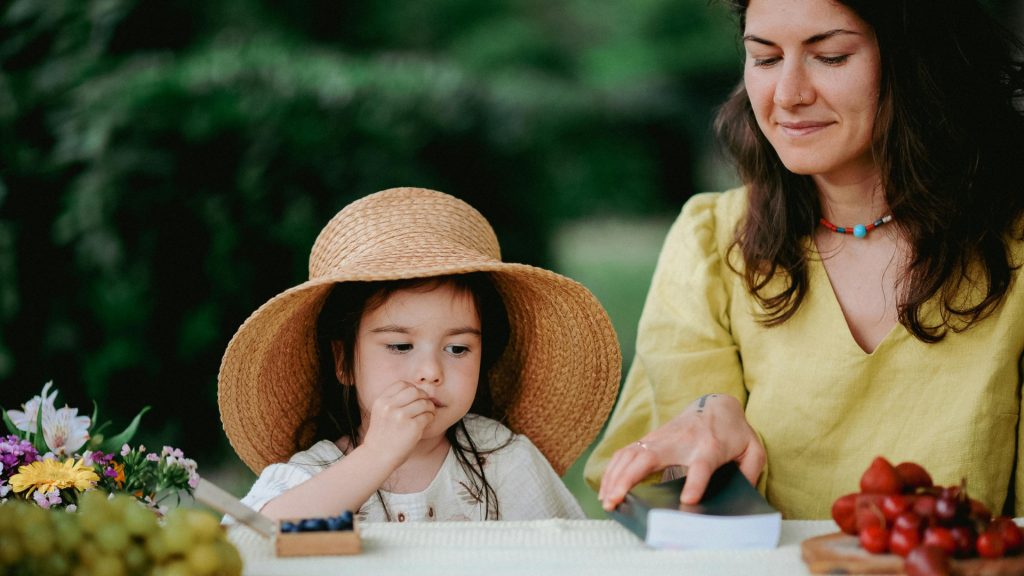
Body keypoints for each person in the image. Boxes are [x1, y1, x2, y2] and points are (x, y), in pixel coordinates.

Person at [586, 0, 1024, 520]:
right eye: (766, 59)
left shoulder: (1012, 246)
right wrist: (709, 420)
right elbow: (672, 509)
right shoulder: (710, 242)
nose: (789, 95)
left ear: (920, 61)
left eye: (832, 57)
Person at [218, 187, 621, 522]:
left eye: (458, 348)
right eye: (399, 345)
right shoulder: (316, 472)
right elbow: (251, 539)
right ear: (344, 363)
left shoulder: (502, 460)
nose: (430, 371)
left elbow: (569, 555)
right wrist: (375, 456)